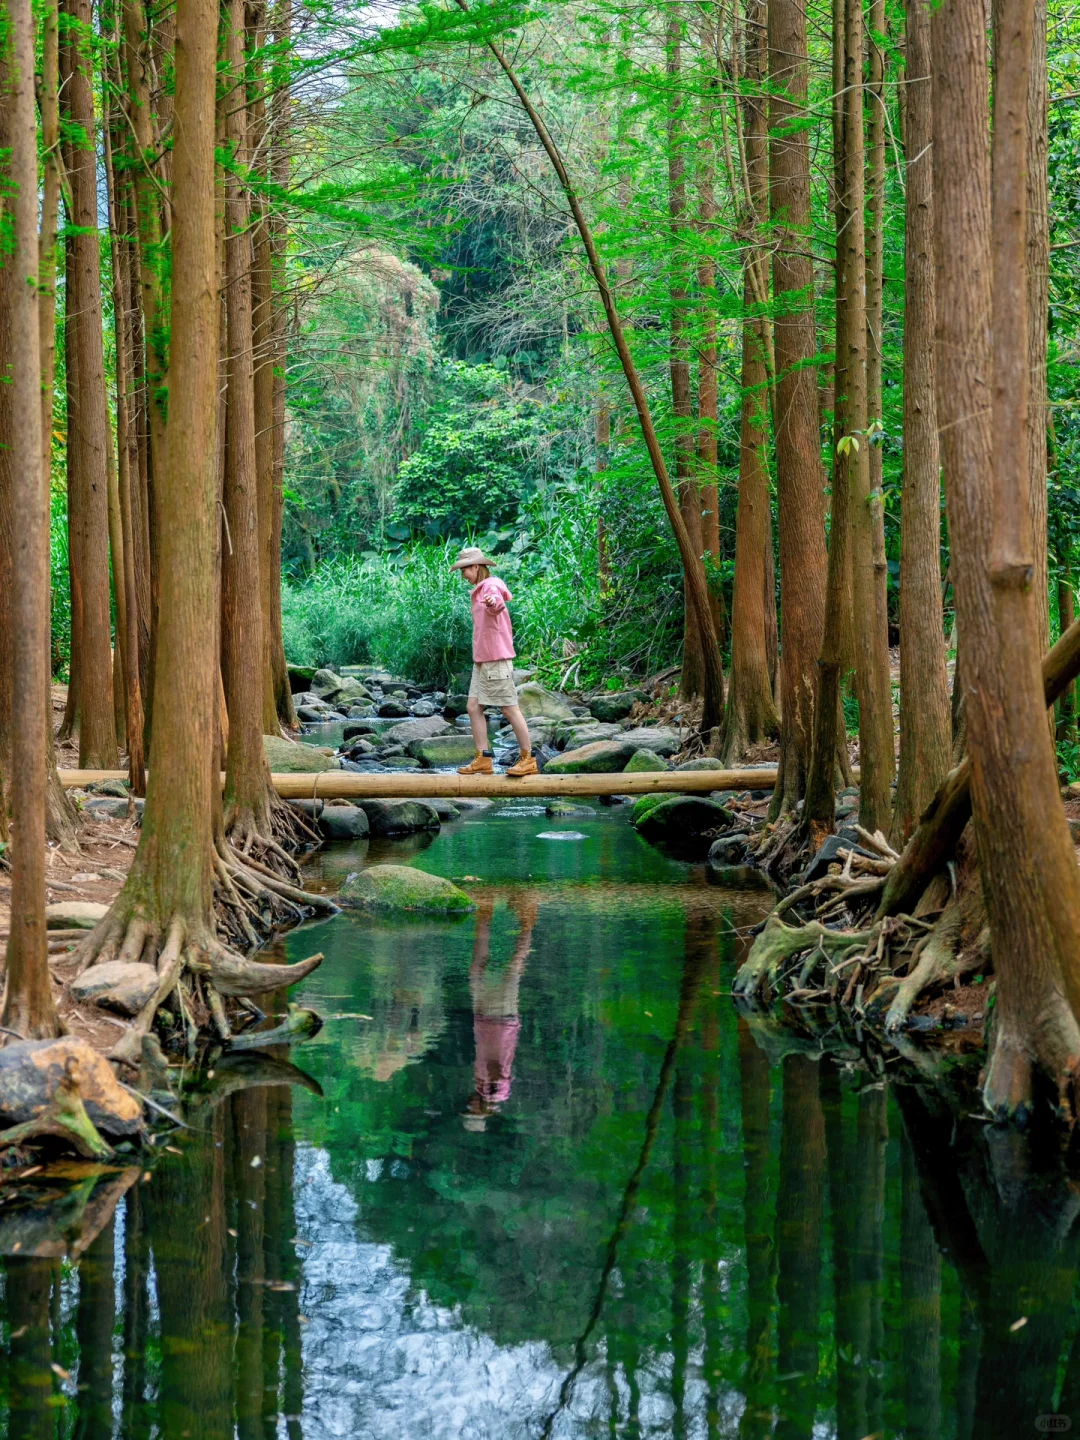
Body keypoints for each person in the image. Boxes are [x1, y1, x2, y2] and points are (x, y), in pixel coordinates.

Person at [449, 545, 537, 777]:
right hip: (483, 661)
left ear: (476, 567)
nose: (463, 576)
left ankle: (528, 759)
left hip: (496, 660)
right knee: (473, 707)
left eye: (464, 571)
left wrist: (492, 602)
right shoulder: (481, 589)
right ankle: (483, 758)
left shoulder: (490, 586)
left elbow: (497, 602)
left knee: (509, 709)